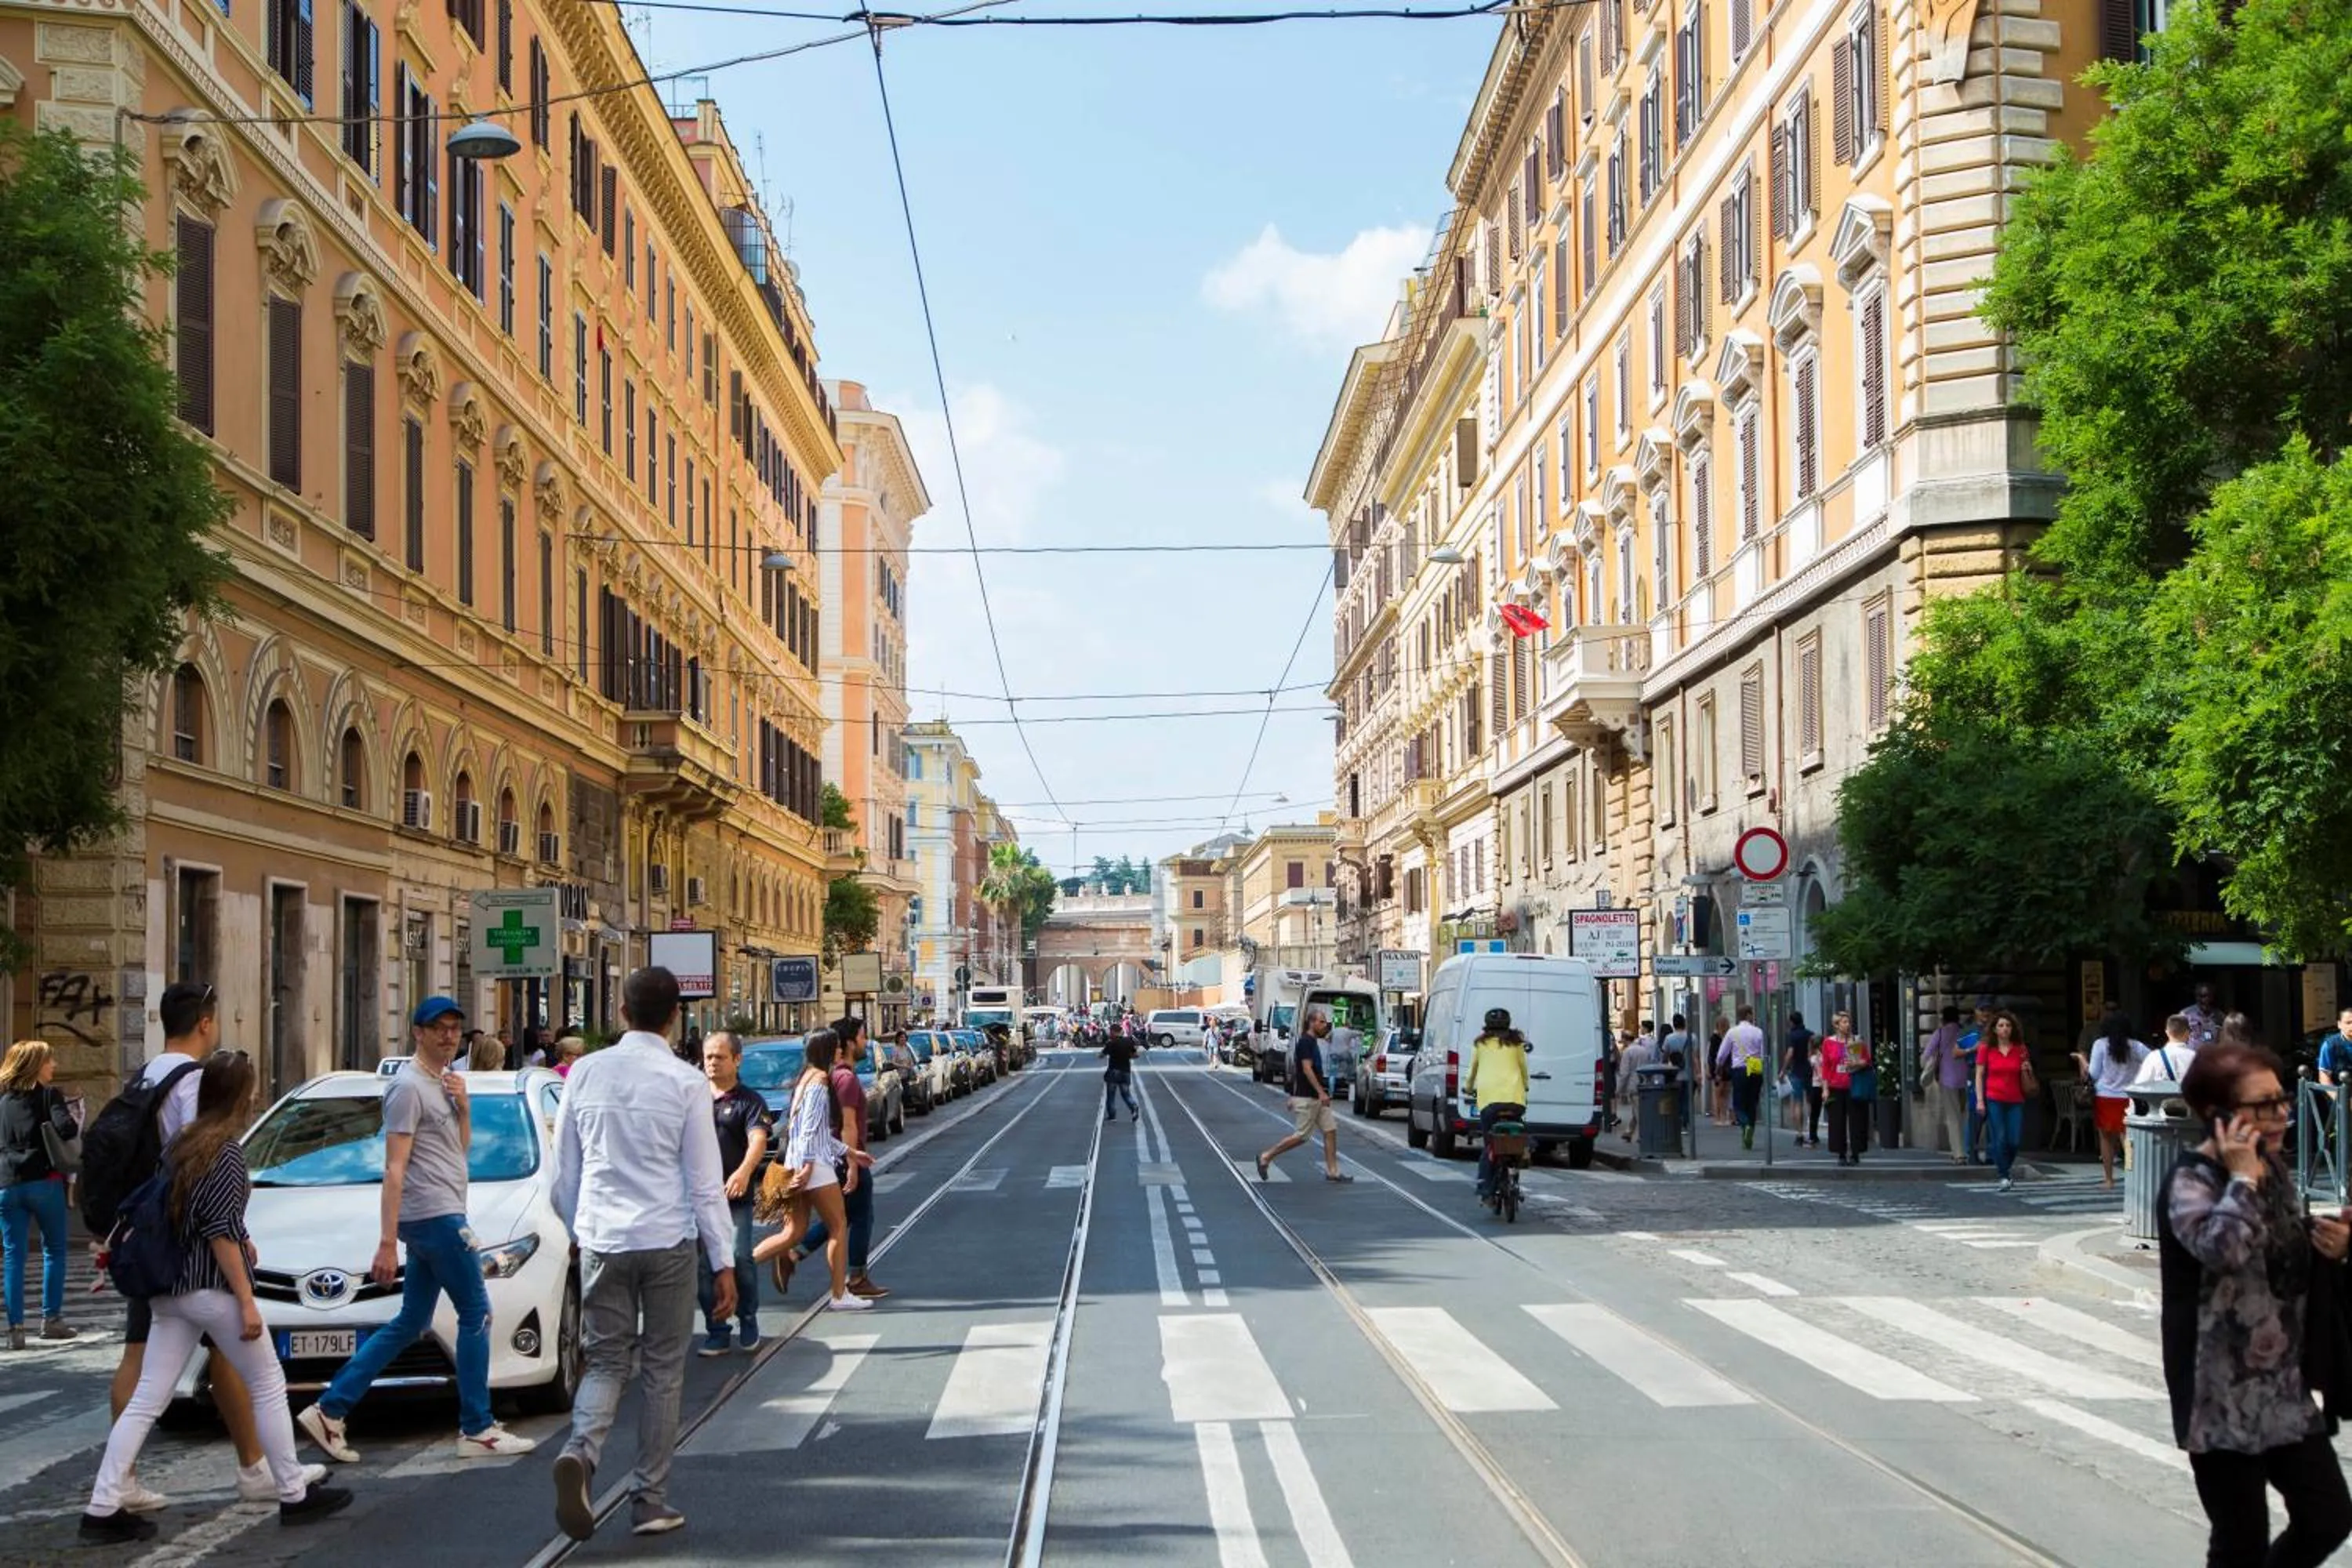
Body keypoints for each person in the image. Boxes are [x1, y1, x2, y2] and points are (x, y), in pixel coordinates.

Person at [81, 1052, 350, 1542]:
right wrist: (246, 1300)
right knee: (267, 1381)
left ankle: (102, 1505)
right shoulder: (225, 1152)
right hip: (209, 1287)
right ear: (242, 1097)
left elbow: (195, 1213)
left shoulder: (182, 1144)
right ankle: (293, 1492)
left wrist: (240, 1235)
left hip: (169, 1291)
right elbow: (219, 1231)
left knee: (148, 1398)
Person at [298, 997, 535, 1465]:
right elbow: (394, 1167)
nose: (448, 1036)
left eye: (455, 1028)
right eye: (438, 1028)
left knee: (411, 1322)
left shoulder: (441, 1083)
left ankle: (330, 1409)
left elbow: (457, 1152)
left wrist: (463, 1108)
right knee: (477, 1313)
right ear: (418, 1033)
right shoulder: (407, 1087)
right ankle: (477, 1427)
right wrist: (387, 1242)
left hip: (439, 1211)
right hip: (435, 1216)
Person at [548, 967, 738, 1541]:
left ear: (622, 1012)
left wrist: (579, 1228)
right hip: (667, 1241)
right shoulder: (685, 1082)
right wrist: (723, 1260)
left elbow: (565, 1171)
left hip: (603, 1238)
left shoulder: (584, 1072)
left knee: (606, 1361)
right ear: (676, 1016)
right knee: (662, 1370)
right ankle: (649, 1500)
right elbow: (704, 1182)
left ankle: (581, 1452)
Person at [2161, 1039, 2352, 1568]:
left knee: (2328, 1516)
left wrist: (2330, 1241)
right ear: (2216, 1113)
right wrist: (2243, 1177)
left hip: (2282, 1387)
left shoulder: (2272, 1169)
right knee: (2240, 1541)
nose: (2281, 1115)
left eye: (2281, 1101)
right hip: (2218, 1396)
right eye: (2263, 1106)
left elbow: (2279, 1252)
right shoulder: (2189, 1180)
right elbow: (2223, 1250)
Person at [105, 982, 273, 1511]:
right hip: (188, 1250)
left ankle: (122, 1480)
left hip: (149, 1237)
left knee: (141, 1359)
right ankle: (256, 1469)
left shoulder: (144, 1075)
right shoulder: (193, 1081)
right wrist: (238, 1236)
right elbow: (199, 1162)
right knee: (236, 1355)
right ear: (205, 1023)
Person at [750, 1030, 873, 1314]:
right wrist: (807, 1167)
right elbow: (809, 1130)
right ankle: (839, 1295)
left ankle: (735, 1267)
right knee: (838, 1225)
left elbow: (813, 1131)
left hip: (797, 1161)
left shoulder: (805, 1079)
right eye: (836, 1047)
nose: (840, 1051)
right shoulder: (819, 1081)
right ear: (827, 1050)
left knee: (793, 1233)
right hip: (814, 1165)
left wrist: (850, 1152)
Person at [777, 1015, 891, 1303]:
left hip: (826, 1157)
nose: (866, 1042)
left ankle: (796, 1253)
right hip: (833, 1160)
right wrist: (852, 1163)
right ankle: (855, 1279)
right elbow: (846, 1125)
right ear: (849, 1043)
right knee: (855, 1217)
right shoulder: (844, 1079)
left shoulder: (824, 1077)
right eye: (863, 1037)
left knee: (840, 1217)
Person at [695, 1033, 771, 1356]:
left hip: (735, 1198)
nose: (712, 1063)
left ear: (737, 1060)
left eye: (720, 1057)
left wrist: (743, 1172)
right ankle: (716, 1329)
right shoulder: (694, 1098)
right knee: (704, 1267)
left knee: (739, 1257)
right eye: (708, 1057)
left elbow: (758, 1140)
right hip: (699, 1199)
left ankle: (748, 1316)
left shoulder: (749, 1101)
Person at [1, 1039, 79, 1349]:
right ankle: (51, 1320)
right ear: (35, 1066)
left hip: (7, 1185)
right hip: (44, 1182)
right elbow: (68, 1130)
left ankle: (16, 1329)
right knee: (54, 1250)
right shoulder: (49, 1096)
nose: (54, 1066)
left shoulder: (3, 1102)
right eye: (49, 1061)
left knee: (13, 1257)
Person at [1255, 1008, 1351, 1184]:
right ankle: (1266, 1156)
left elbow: (1299, 1071)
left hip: (1316, 1098)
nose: (1325, 1025)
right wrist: (1321, 1093)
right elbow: (1306, 1069)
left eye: (1325, 1022)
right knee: (1302, 1136)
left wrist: (1300, 1094)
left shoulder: (1313, 1041)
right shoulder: (1306, 1042)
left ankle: (1333, 1171)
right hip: (1308, 1098)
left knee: (1330, 1130)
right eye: (1322, 1022)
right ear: (1312, 1023)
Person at [2072, 1010, 2149, 1190]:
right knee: (2128, 1140)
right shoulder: (2137, 1046)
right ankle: (2132, 1176)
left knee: (2106, 1139)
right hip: (2129, 1098)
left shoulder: (2100, 1044)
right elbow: (2153, 1060)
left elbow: (2093, 1074)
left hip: (2105, 1097)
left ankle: (2109, 1179)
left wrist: (2082, 1060)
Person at [1464, 1008, 1530, 1203]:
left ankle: (1485, 1188)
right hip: (1515, 1101)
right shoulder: (1516, 1044)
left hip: (1490, 1103)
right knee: (1515, 1135)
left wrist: (1468, 1088)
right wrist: (1525, 1086)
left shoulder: (1480, 1044)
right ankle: (1516, 1168)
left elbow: (1472, 1071)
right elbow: (1523, 1069)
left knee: (1490, 1145)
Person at [1976, 1008, 2033, 1192]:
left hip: (2015, 1099)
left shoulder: (2020, 1049)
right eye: (2001, 1025)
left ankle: (2005, 1167)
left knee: (2014, 1141)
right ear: (1994, 1029)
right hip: (1995, 1098)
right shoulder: (1986, 1048)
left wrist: (2027, 1068)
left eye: (2008, 1025)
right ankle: (2004, 1175)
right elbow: (1979, 1074)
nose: (2005, 1028)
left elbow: (2027, 1072)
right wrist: (1980, 1100)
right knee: (2000, 1138)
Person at [1821, 1011, 1875, 1167]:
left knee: (1857, 1120)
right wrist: (1825, 1089)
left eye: (1848, 1022)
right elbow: (1825, 1067)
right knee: (1837, 1121)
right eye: (1844, 1022)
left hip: (1854, 1085)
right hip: (1835, 1086)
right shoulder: (1828, 1043)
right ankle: (1841, 1154)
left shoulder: (1856, 1041)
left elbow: (1867, 1061)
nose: (1847, 1025)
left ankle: (1856, 1153)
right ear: (1836, 1025)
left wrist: (1857, 1063)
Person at [1919, 1006, 1970, 1163]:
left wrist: (1930, 1062)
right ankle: (1967, 1148)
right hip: (1967, 1079)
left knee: (1953, 1117)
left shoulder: (1940, 1033)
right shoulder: (1966, 1032)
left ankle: (1959, 1154)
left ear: (1944, 1018)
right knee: (1965, 1115)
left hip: (1947, 1079)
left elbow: (1925, 1056)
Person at [1716, 1006, 1768, 1150]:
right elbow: (1764, 1053)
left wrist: (1718, 1068)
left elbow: (1722, 1054)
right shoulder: (1759, 1032)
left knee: (1738, 1104)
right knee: (1752, 1103)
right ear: (1749, 1015)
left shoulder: (1732, 1032)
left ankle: (1745, 1125)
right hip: (1756, 1069)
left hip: (1739, 1070)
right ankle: (1749, 1133)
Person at [1960, 1000, 1993, 1164]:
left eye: (1988, 1010)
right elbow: (1955, 1052)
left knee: (1993, 1115)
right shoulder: (1969, 1031)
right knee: (1976, 1114)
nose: (1985, 1013)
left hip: (1993, 1075)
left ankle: (1992, 1154)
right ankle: (1970, 1151)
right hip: (1975, 1075)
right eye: (1982, 1009)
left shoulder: (1995, 1030)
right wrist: (1971, 1049)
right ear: (1976, 1011)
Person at [1783, 1011, 1819, 1147]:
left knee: (1798, 1102)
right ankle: (1811, 1132)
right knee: (1810, 1102)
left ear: (1792, 1022)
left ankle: (1799, 1134)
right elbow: (1815, 1052)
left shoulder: (1792, 1036)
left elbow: (1790, 1054)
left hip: (1796, 1072)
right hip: (1810, 1071)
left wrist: (1783, 1070)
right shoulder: (1810, 1034)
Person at [2137, 1013, 2201, 1086]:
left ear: (2167, 1033)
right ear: (2187, 1033)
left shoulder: (2154, 1057)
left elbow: (2140, 1086)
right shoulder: (2196, 1058)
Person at [1615, 1027, 1655, 1144]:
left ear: (1625, 1039)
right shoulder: (1643, 1050)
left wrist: (1619, 1090)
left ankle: (1643, 1135)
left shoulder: (1627, 1052)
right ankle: (1629, 1132)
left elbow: (1625, 1073)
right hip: (1644, 1082)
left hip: (1633, 1084)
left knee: (1638, 1111)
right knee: (1636, 1109)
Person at [1101, 1023, 1140, 1122]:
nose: (1109, 1033)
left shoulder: (1111, 1043)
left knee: (1111, 1095)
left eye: (1110, 1031)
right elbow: (1136, 1055)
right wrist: (1128, 1055)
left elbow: (1102, 1055)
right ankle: (1133, 1106)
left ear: (1113, 1032)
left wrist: (1100, 1054)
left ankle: (1112, 1116)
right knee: (1126, 1094)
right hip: (1126, 1071)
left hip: (1113, 1072)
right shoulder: (1128, 1042)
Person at [2182, 981, 2224, 1053]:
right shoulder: (2186, 1014)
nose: (2204, 1000)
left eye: (2208, 996)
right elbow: (2178, 1039)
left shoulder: (2220, 1016)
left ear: (2212, 997)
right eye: (2201, 996)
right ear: (2196, 997)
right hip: (2192, 1057)